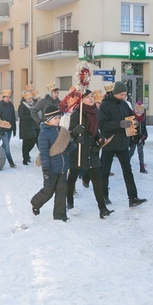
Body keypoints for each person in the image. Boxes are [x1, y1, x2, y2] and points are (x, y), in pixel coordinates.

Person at [66, 90, 114, 218]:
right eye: (87, 97)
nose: (91, 98)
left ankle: (102, 208)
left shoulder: (95, 112)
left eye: (92, 96)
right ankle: (69, 202)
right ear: (81, 100)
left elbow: (95, 130)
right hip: (78, 150)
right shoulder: (77, 113)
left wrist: (99, 138)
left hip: (91, 150)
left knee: (97, 180)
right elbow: (70, 133)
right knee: (72, 178)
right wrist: (76, 132)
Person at [99, 81, 147, 207]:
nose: (124, 97)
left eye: (125, 94)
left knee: (127, 170)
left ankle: (133, 197)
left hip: (122, 144)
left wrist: (135, 122)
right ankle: (104, 196)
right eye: (121, 94)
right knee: (105, 171)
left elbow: (132, 117)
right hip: (109, 143)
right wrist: (119, 124)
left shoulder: (125, 105)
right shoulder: (104, 106)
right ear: (115, 93)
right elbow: (102, 125)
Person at [31, 105, 75, 221]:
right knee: (48, 191)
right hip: (50, 168)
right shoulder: (43, 134)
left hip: (62, 167)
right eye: (56, 118)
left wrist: (75, 142)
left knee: (62, 192)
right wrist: (46, 168)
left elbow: (66, 148)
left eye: (59, 118)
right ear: (48, 119)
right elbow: (44, 153)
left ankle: (60, 215)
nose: (58, 120)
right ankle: (36, 203)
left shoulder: (62, 131)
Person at [0, 89, 17, 167]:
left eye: (9, 97)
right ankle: (10, 161)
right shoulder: (0, 105)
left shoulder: (11, 105)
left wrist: (14, 129)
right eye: (7, 97)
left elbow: (13, 117)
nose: (8, 99)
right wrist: (0, 129)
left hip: (9, 129)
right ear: (3, 97)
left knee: (5, 145)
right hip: (3, 129)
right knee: (7, 146)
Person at [18, 89, 38, 165]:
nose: (30, 100)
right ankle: (25, 158)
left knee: (32, 141)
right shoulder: (22, 106)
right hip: (25, 127)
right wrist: (31, 117)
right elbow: (21, 116)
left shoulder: (32, 106)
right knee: (25, 143)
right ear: (25, 99)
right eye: (29, 98)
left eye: (31, 98)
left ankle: (26, 154)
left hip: (31, 126)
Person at [128, 101, 148, 174]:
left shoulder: (143, 118)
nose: (139, 113)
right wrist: (139, 135)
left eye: (140, 111)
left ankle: (142, 167)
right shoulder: (132, 117)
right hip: (133, 138)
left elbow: (144, 128)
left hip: (140, 139)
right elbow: (132, 129)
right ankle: (126, 164)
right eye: (137, 111)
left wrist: (145, 135)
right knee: (131, 152)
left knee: (141, 152)